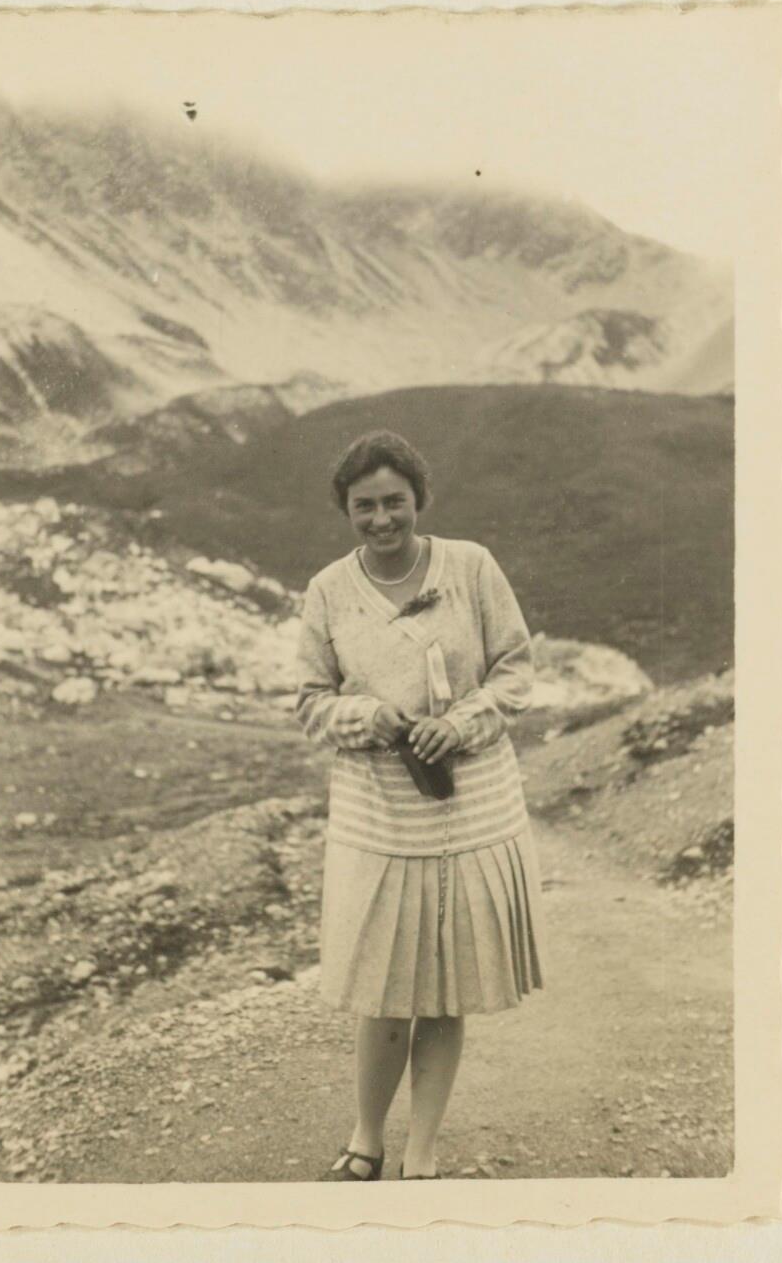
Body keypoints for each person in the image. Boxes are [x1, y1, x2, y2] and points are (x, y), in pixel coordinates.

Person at [294, 429, 547, 1182]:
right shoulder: (328, 590)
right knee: (382, 985)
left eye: (394, 502)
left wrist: (462, 723)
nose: (382, 519)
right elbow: (309, 701)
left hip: (473, 803)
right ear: (346, 509)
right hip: (379, 810)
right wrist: (366, 715)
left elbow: (515, 669)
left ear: (419, 499)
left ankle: (422, 1152)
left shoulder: (472, 567)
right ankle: (367, 1138)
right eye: (365, 506)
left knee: (445, 986)